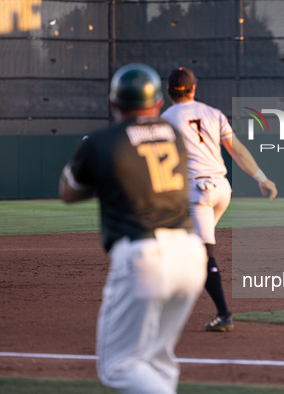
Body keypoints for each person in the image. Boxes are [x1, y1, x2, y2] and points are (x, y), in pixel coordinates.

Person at [59, 63, 207, 394]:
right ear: (157, 103)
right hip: (189, 253)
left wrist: (107, 176)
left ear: (113, 103)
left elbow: (68, 192)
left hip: (145, 255)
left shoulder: (102, 142)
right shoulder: (176, 136)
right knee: (158, 359)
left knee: (118, 367)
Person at [161, 67, 277, 332]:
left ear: (168, 92)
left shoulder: (165, 119)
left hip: (197, 191)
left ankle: (224, 314)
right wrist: (261, 177)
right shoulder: (214, 114)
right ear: (193, 88)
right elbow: (236, 150)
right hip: (222, 190)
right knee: (188, 245)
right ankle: (176, 296)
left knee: (202, 253)